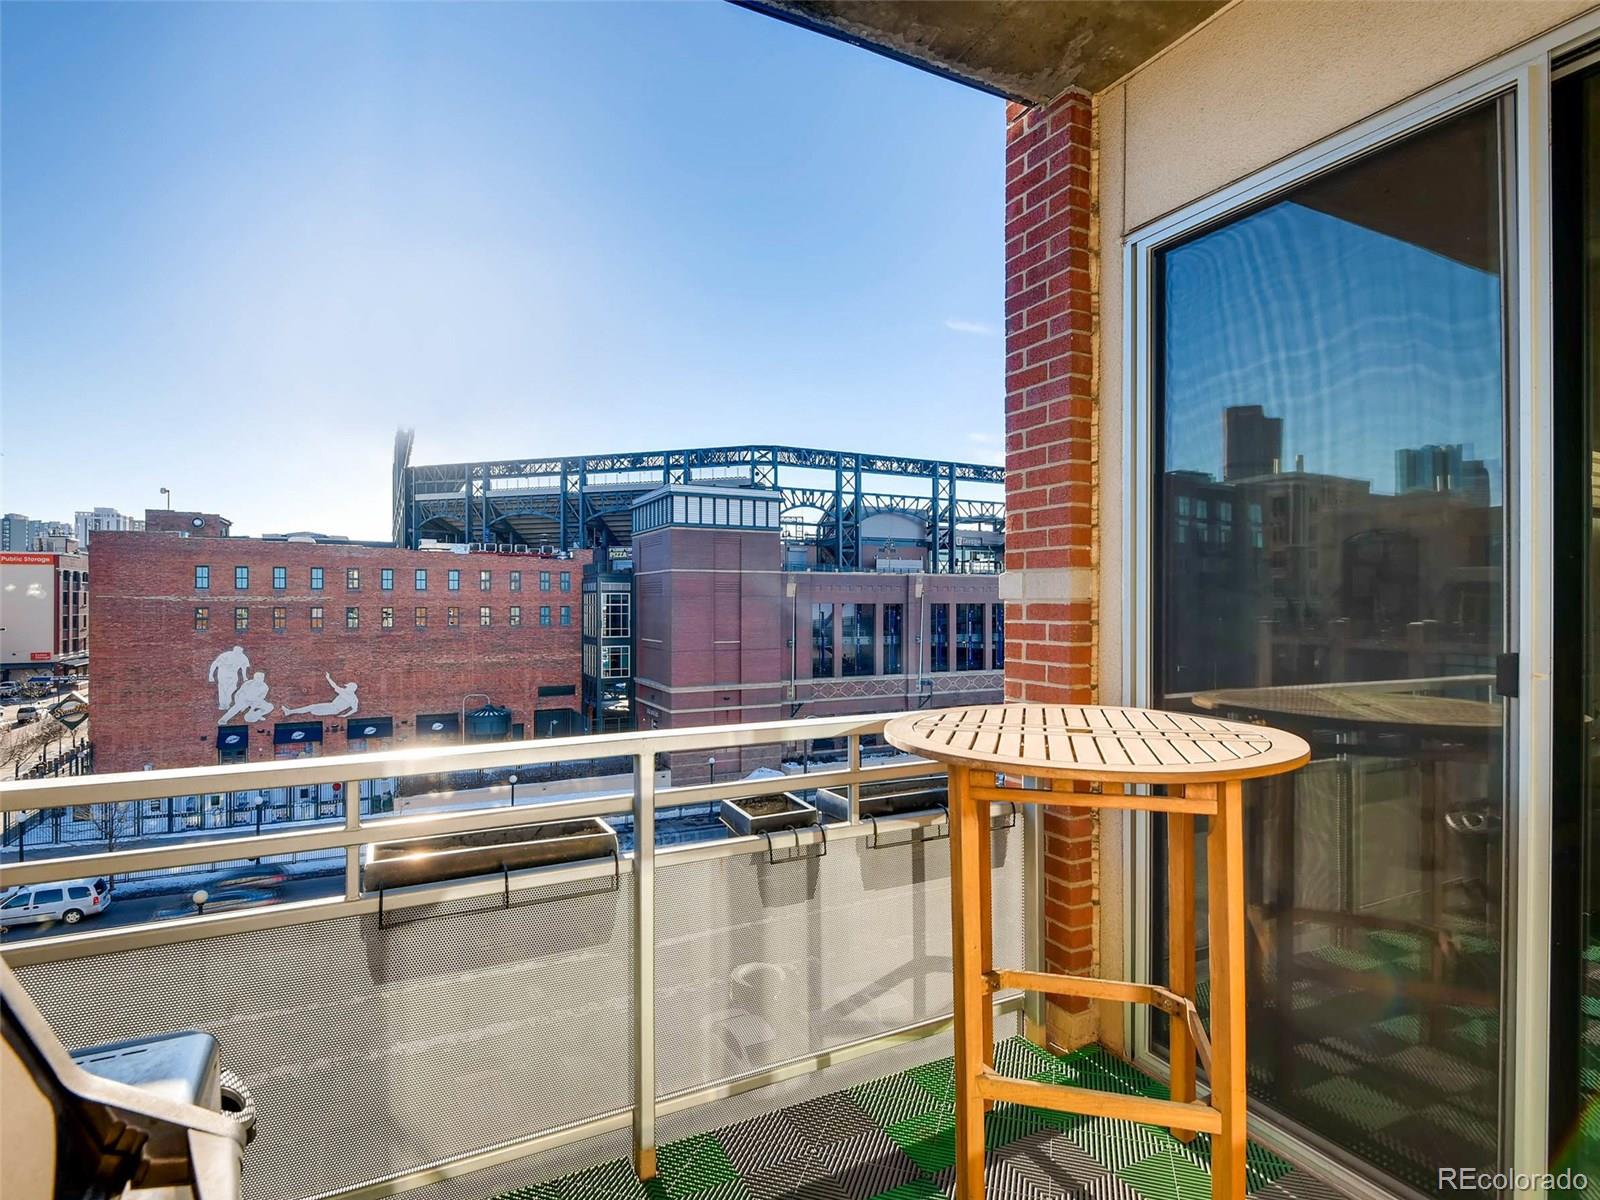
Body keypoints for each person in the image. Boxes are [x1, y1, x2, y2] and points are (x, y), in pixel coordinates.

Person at [280, 674, 359, 718]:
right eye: (347, 687)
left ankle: (290, 712)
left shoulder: (354, 699)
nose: (346, 688)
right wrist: (328, 678)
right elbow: (334, 686)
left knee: (314, 711)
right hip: (330, 705)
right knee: (312, 707)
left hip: (334, 710)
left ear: (352, 689)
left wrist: (344, 716)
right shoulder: (343, 691)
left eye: (348, 687)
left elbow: (355, 709)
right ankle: (290, 712)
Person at [207, 645, 250, 710]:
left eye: (239, 653)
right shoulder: (225, 655)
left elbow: (244, 667)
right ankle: (223, 705)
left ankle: (227, 701)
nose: (237, 654)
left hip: (233, 674)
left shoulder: (243, 657)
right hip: (223, 673)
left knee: (232, 688)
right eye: (236, 652)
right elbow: (215, 664)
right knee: (223, 688)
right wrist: (211, 675)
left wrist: (244, 676)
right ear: (233, 651)